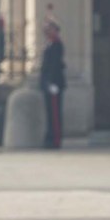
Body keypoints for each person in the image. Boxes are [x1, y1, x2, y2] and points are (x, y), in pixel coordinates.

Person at [40, 20, 66, 149]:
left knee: (55, 114)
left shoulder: (57, 44)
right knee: (50, 113)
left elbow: (55, 66)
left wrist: (52, 83)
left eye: (49, 29)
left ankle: (55, 140)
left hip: (54, 83)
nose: (46, 31)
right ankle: (50, 137)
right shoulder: (49, 43)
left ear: (55, 30)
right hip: (48, 83)